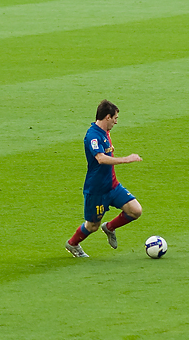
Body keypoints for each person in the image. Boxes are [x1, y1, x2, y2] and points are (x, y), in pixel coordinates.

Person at [65, 100, 143, 258]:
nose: (116, 122)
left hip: (112, 186)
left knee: (136, 211)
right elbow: (100, 158)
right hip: (97, 190)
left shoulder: (106, 131)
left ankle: (110, 227)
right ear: (107, 117)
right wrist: (126, 159)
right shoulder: (93, 136)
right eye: (115, 118)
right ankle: (72, 244)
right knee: (92, 226)